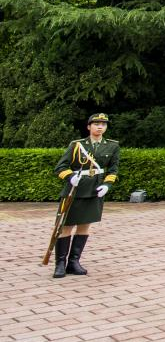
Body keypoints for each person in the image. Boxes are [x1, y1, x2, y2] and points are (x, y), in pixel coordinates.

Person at [50, 113, 120, 278]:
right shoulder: (77, 145)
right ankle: (60, 263)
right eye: (96, 123)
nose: (100, 126)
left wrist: (107, 185)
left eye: (103, 124)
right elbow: (60, 167)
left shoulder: (112, 146)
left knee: (84, 226)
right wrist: (70, 177)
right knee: (65, 226)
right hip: (74, 190)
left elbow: (113, 170)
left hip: (95, 190)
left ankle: (74, 262)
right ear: (89, 126)